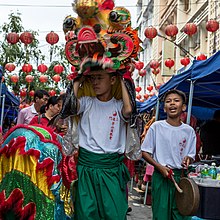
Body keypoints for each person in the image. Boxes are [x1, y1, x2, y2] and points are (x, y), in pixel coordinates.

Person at [67, 65, 132, 220]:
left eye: (100, 78)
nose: (95, 82)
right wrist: (78, 79)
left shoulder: (118, 105)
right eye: (92, 78)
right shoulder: (86, 102)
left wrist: (122, 77)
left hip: (111, 169)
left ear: (112, 80)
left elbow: (129, 110)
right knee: (86, 214)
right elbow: (70, 106)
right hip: (87, 167)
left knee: (115, 214)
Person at [141, 89, 196, 220]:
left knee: (180, 215)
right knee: (161, 215)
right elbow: (144, 152)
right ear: (164, 108)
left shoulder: (189, 131)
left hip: (180, 178)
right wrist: (159, 167)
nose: (172, 104)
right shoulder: (156, 127)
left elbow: (191, 155)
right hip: (161, 177)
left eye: (176, 101)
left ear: (183, 107)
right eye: (168, 101)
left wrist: (188, 159)